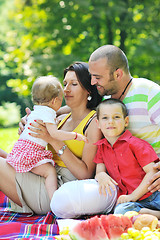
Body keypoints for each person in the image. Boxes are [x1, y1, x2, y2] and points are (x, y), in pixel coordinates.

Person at [0, 62, 117, 217]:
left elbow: (85, 174)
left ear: (88, 90)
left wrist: (53, 140)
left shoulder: (93, 122)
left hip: (57, 190)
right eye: (65, 84)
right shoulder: (61, 116)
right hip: (42, 172)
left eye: (74, 84)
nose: (66, 89)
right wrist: (26, 121)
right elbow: (42, 112)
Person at [88, 44, 160, 194]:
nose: (93, 82)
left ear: (118, 74)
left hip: (152, 179)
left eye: (98, 77)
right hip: (120, 184)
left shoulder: (149, 92)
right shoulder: (106, 101)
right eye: (92, 76)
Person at [6, 75, 87, 201]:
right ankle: (54, 199)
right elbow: (54, 134)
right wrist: (75, 135)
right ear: (54, 101)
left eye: (74, 84)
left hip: (21, 148)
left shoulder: (36, 110)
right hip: (32, 152)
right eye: (61, 99)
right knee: (50, 172)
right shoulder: (48, 114)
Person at [94, 98, 160, 217]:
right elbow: (99, 170)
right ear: (98, 123)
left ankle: (152, 213)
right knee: (119, 211)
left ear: (126, 121)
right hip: (135, 203)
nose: (110, 122)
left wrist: (133, 196)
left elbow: (152, 171)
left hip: (154, 194)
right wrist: (100, 175)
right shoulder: (101, 147)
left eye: (116, 117)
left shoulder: (136, 144)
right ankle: (152, 214)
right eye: (105, 118)